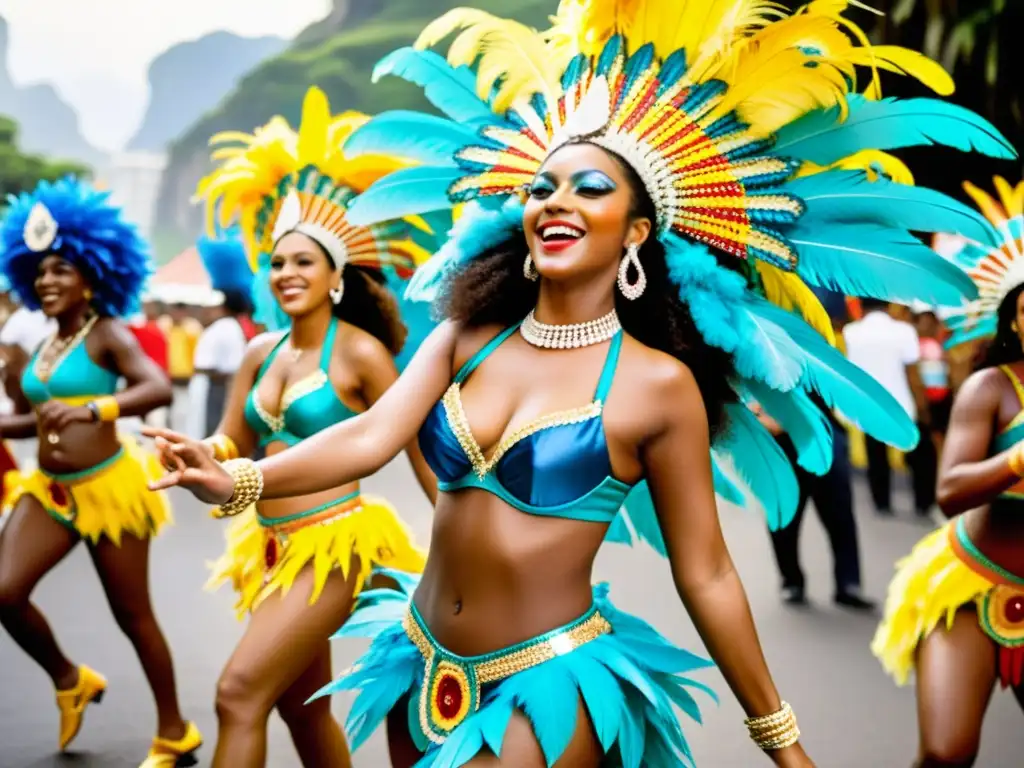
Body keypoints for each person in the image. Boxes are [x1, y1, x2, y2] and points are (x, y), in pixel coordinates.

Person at [146, 0, 1010, 764]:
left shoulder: (657, 386)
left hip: (548, 680)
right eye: (541, 186)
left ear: (637, 229)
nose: (554, 201)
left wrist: (780, 740)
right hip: (415, 660)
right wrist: (242, 478)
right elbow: (369, 437)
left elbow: (706, 572)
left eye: (588, 188)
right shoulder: (463, 337)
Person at [180, 86, 439, 767]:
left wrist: (461, 539)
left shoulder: (362, 353)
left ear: (334, 278)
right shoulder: (259, 351)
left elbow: (420, 450)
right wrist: (200, 452)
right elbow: (233, 438)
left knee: (238, 693)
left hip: (335, 546)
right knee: (302, 709)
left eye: (303, 261)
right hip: (267, 546)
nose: (286, 272)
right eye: (277, 261)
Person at [0, 178, 202, 766]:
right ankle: (70, 679)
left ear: (91, 276)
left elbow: (157, 385)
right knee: (5, 593)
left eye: (61, 269)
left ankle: (174, 731)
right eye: (39, 271)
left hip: (111, 489)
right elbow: (35, 424)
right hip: (51, 489)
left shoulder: (107, 333)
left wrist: (95, 409)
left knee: (132, 616)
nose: (47, 280)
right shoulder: (42, 347)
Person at [873, 176, 1024, 767]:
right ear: (1013, 318)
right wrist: (1016, 459)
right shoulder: (993, 388)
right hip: (973, 584)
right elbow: (949, 491)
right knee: (946, 752)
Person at [844, 298, 937, 517]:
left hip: (870, 404)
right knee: (920, 454)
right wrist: (923, 407)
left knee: (876, 455)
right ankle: (923, 503)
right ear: (888, 305)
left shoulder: (851, 332)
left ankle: (882, 502)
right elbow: (912, 373)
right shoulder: (904, 331)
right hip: (903, 403)